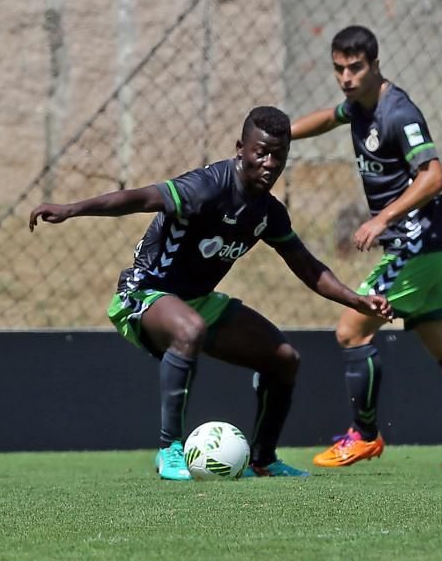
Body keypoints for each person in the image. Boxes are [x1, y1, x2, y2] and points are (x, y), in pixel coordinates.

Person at [29, 106, 393, 480]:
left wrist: (357, 300)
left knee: (284, 358)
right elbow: (140, 199)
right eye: (261, 152)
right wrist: (70, 209)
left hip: (196, 302)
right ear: (241, 148)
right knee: (189, 329)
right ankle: (169, 449)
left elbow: (308, 267)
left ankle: (263, 459)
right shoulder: (207, 187)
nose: (269, 163)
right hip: (143, 294)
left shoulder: (268, 212)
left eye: (278, 155)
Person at [291, 26, 442, 467]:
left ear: (375, 64)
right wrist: (281, 135)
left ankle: (364, 435)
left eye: (355, 68)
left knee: (350, 330)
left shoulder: (398, 113)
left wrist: (382, 218)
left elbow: (434, 176)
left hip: (414, 242)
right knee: (438, 336)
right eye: (339, 69)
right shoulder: (358, 106)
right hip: (427, 243)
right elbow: (329, 118)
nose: (347, 77)